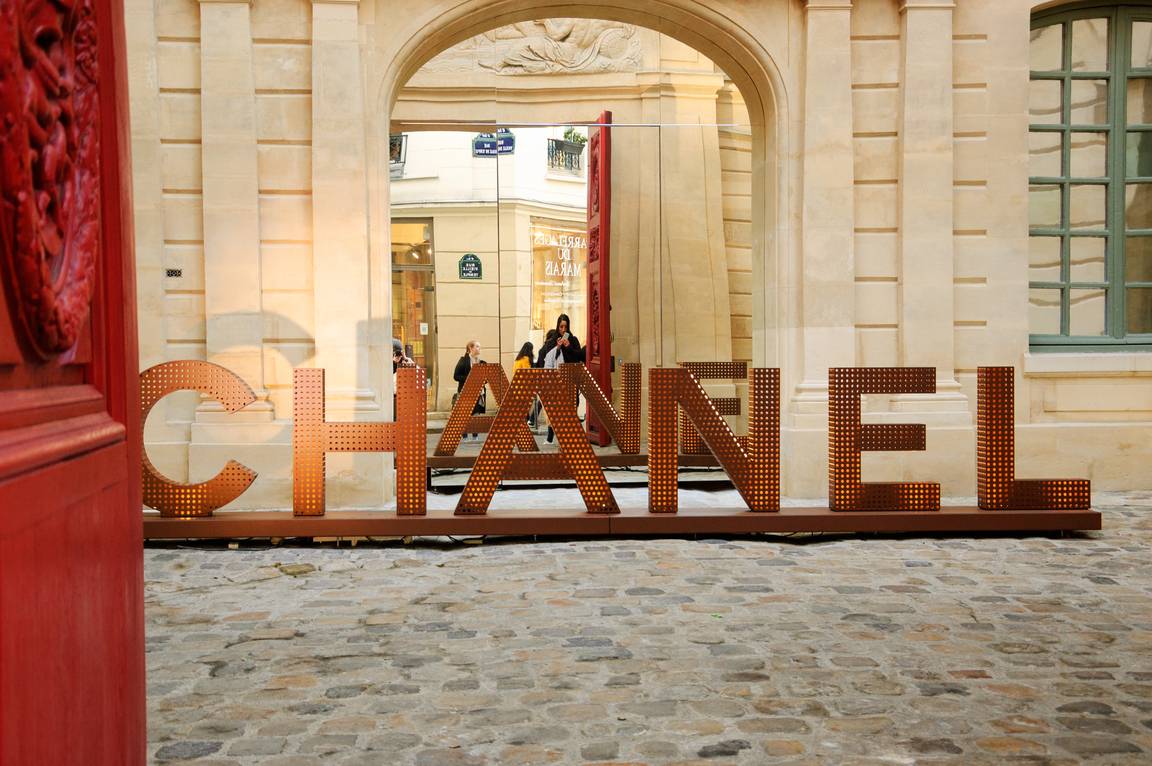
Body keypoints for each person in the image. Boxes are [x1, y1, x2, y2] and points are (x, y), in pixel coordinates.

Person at [453, 340, 486, 441]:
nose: (479, 348)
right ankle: (465, 436)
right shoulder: (463, 361)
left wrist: (483, 380)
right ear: (470, 348)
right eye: (477, 346)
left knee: (475, 414)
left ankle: (475, 436)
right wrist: (470, 379)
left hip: (478, 392)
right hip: (465, 392)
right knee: (465, 415)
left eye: (479, 346)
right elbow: (456, 376)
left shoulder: (481, 363)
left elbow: (486, 378)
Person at [514, 342, 538, 428]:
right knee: (525, 406)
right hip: (524, 386)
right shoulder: (526, 359)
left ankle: (525, 422)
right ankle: (526, 423)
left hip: (517, 385)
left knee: (522, 406)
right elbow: (528, 373)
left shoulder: (517, 359)